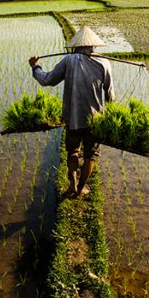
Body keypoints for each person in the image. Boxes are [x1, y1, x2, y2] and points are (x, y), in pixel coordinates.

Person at [29, 26, 115, 198]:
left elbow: (47, 80)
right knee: (91, 155)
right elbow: (111, 96)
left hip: (73, 117)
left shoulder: (69, 61)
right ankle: (81, 189)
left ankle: (73, 186)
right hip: (96, 120)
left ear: (76, 46)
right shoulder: (104, 63)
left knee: (72, 151)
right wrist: (113, 123)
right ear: (93, 46)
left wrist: (35, 67)